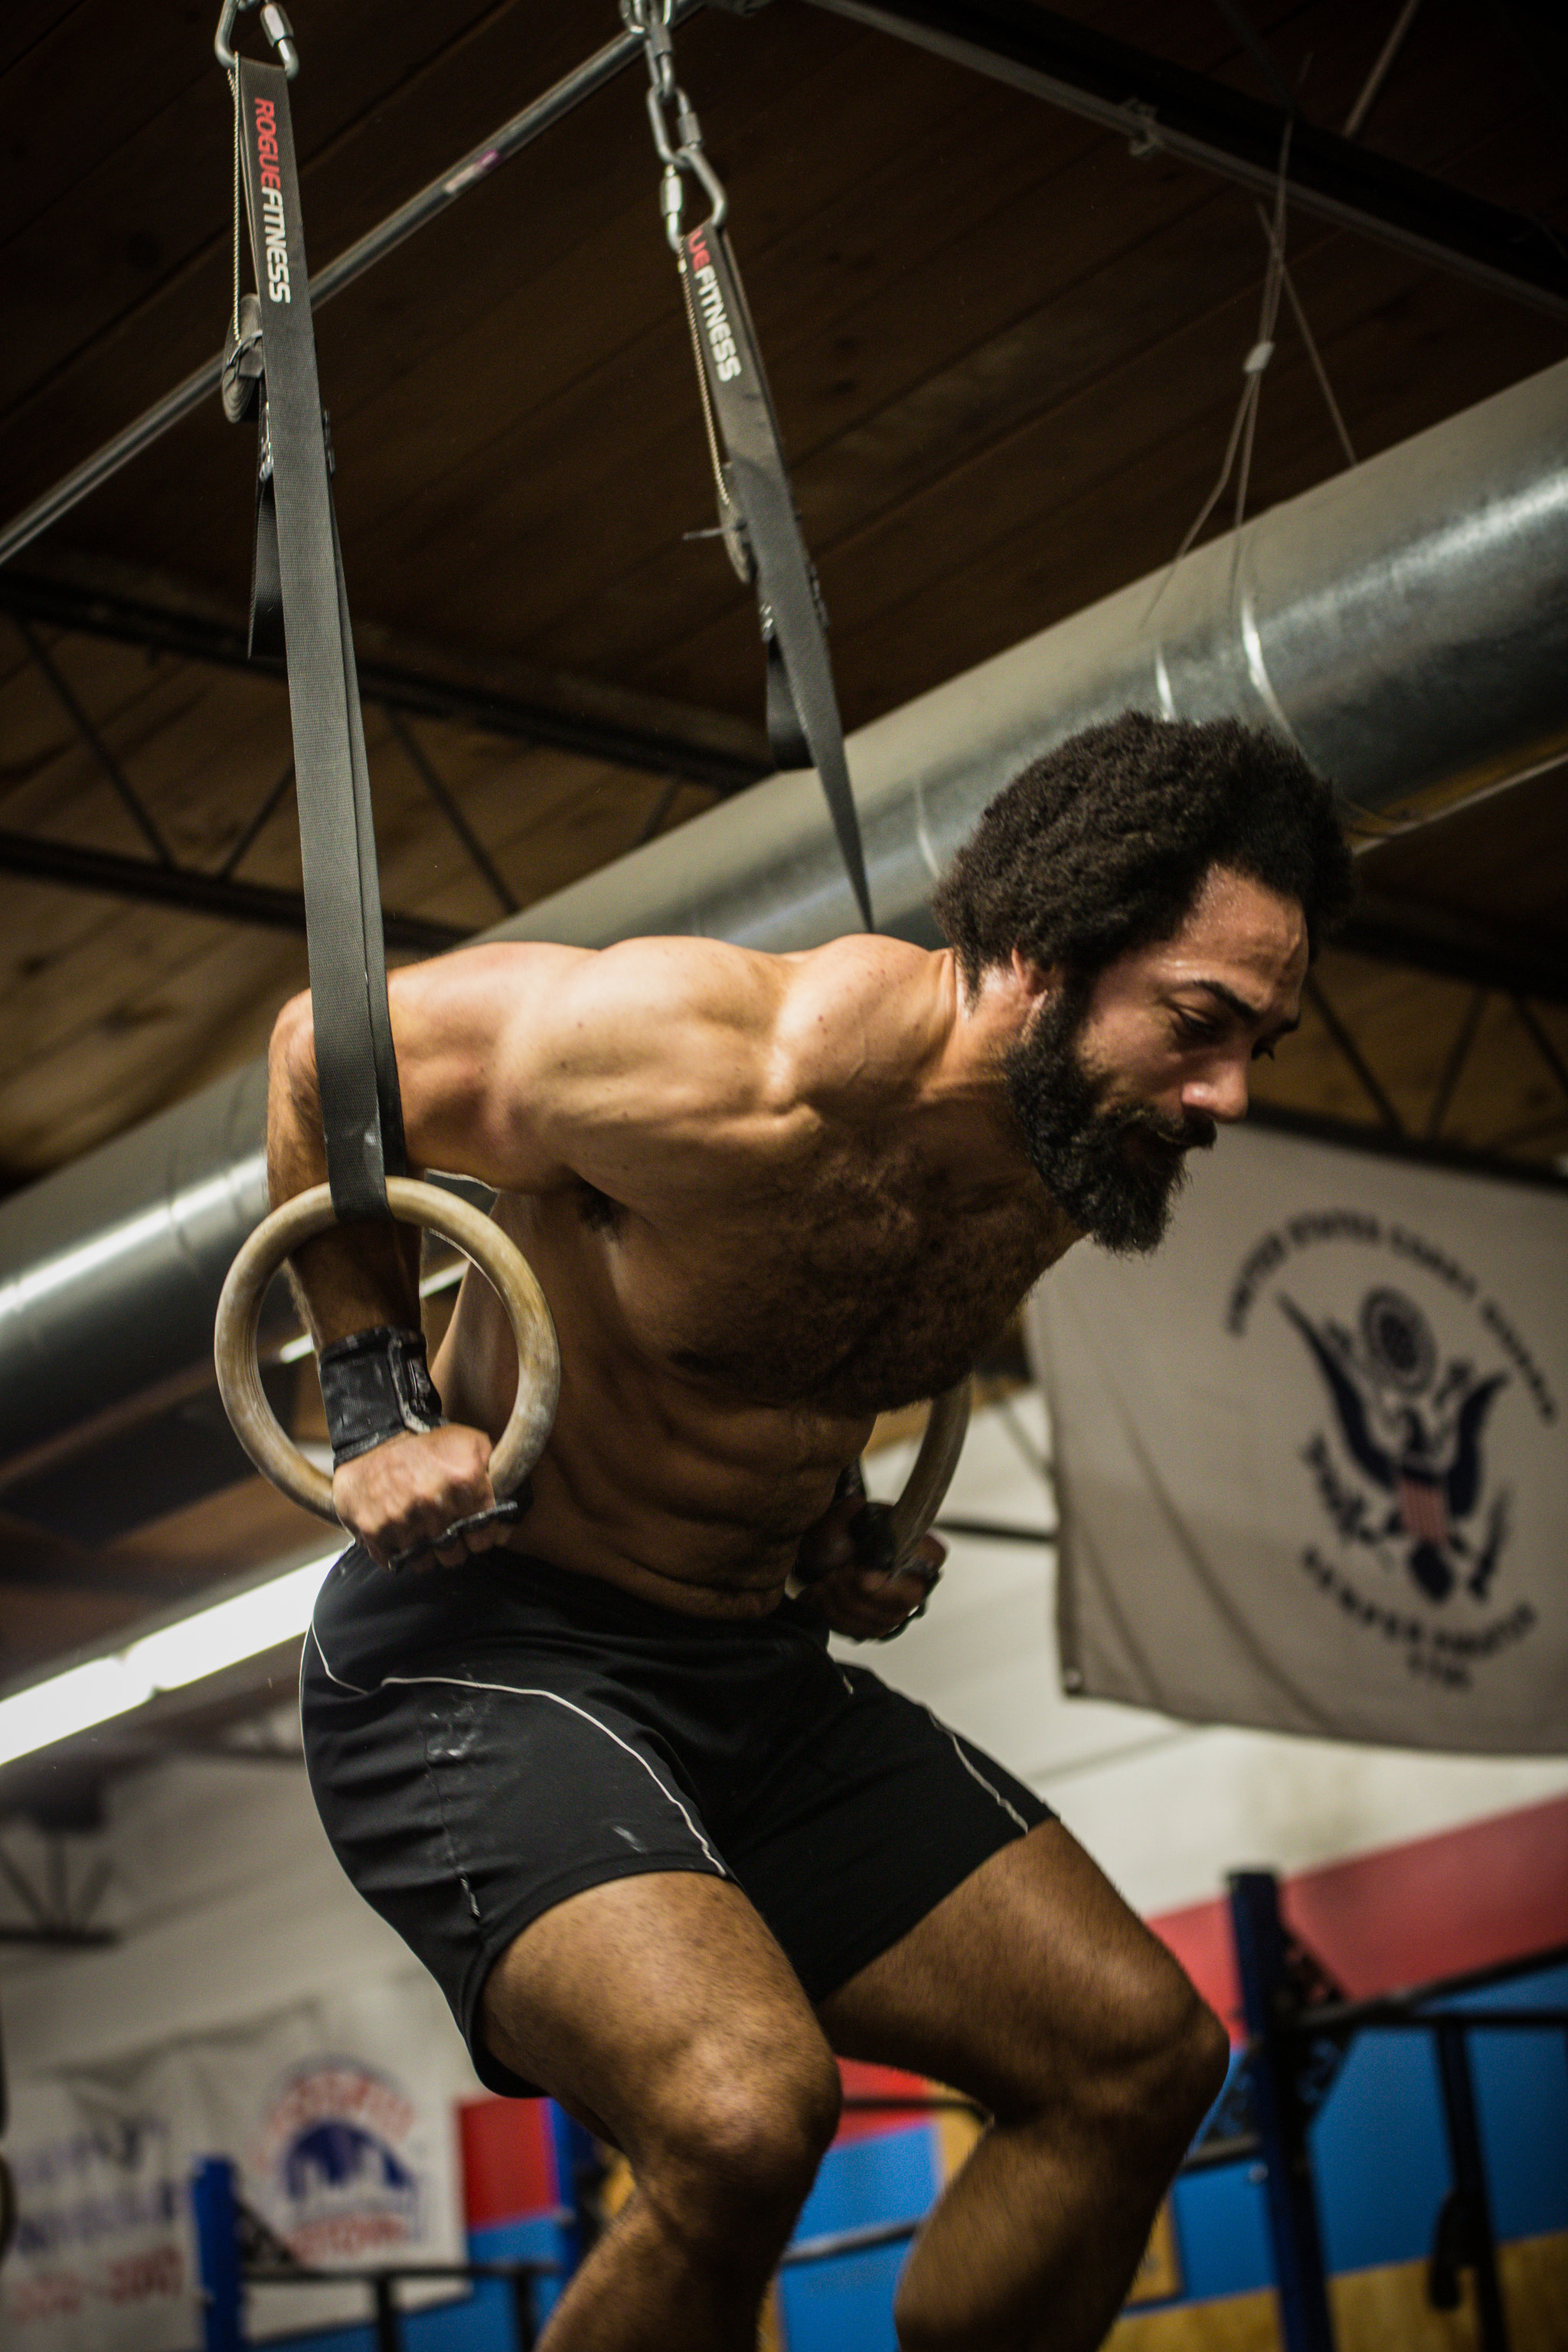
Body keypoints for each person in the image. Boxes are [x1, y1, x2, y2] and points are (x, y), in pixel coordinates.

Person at [276, 711, 1354, 2351]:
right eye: (1199, 1023)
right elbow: (320, 1052)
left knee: (1137, 2063)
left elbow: (789, 1343)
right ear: (1039, 958)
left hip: (747, 1675)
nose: (1226, 1093)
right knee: (738, 2120)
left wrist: (830, 1522)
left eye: (1259, 1040)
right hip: (485, 1662)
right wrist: (372, 1408)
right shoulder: (713, 1062)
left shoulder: (1069, 1155)